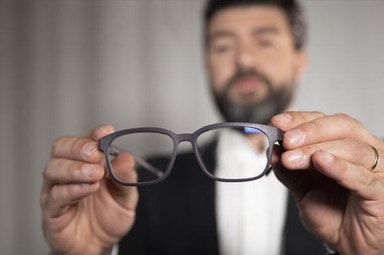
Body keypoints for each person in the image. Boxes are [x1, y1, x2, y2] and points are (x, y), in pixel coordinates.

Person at [40, 0, 384, 254]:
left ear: (299, 61)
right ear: (207, 65)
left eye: (263, 41)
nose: (244, 59)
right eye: (223, 46)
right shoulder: (136, 185)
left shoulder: (349, 190)